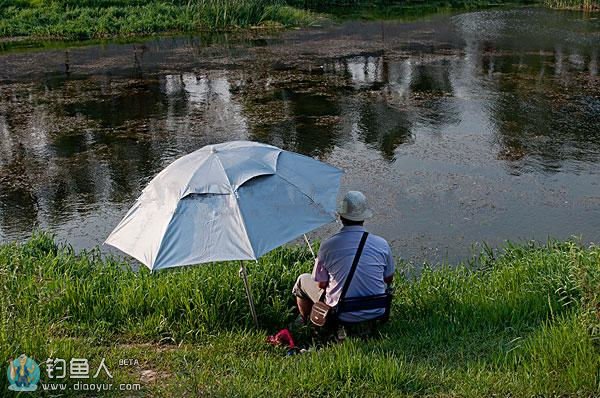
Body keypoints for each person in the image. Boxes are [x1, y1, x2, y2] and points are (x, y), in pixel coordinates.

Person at [292, 191, 395, 324]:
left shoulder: (328, 246)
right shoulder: (382, 244)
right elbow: (388, 278)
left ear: (341, 217)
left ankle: (304, 320)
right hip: (376, 309)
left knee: (302, 281)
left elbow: (321, 284)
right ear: (364, 218)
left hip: (341, 313)